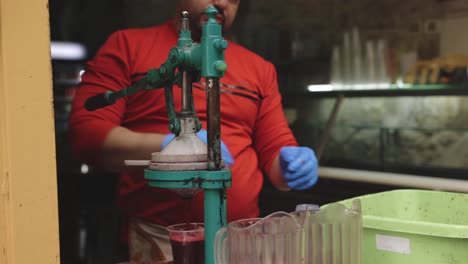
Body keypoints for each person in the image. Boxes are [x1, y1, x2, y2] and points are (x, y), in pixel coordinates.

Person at [68, 0, 319, 262]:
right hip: (158, 243)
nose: (222, 3)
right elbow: (86, 135)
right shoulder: (128, 46)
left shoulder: (260, 69)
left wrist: (291, 164)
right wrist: (170, 146)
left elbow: (275, 152)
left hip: (241, 242)